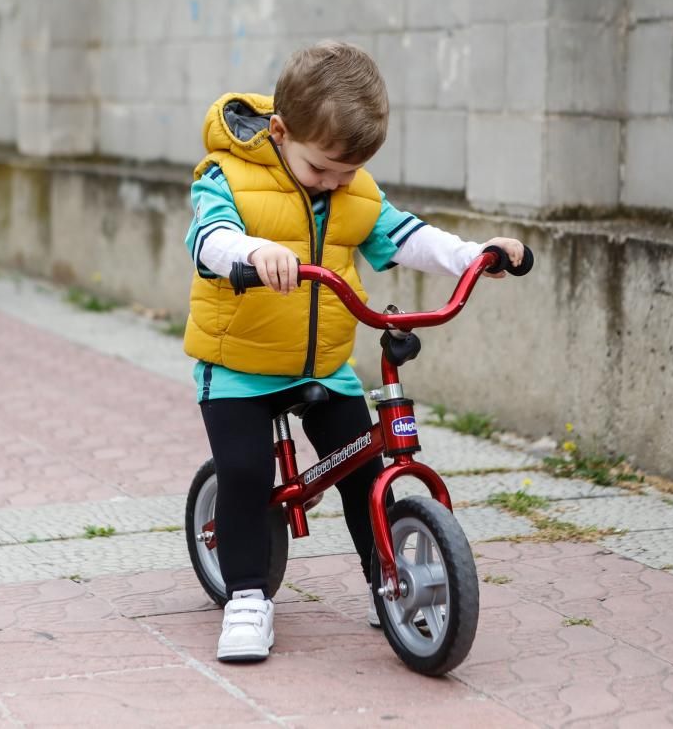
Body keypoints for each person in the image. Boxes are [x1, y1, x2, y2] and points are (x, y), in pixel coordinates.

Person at [183, 40, 525, 662]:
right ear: (281, 133)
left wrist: (472, 254)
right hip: (239, 367)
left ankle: (385, 581)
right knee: (245, 475)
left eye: (348, 173)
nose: (336, 184)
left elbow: (404, 235)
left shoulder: (352, 188)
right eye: (323, 171)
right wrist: (251, 253)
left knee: (366, 470)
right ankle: (247, 599)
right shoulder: (225, 175)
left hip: (322, 364)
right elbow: (208, 239)